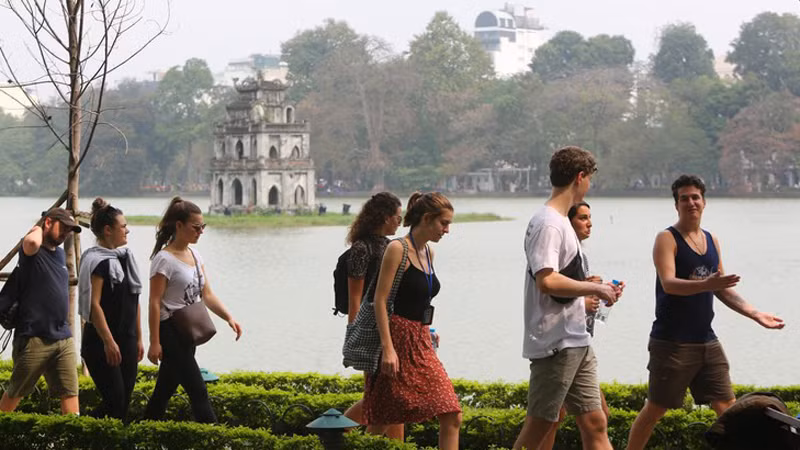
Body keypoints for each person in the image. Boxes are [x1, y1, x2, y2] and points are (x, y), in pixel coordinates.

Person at [626, 175, 785, 450]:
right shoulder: (667, 238)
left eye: (695, 197)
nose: (691, 203)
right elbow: (669, 284)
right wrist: (707, 284)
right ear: (676, 204)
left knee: (729, 409)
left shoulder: (711, 240)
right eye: (684, 198)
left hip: (706, 341)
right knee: (655, 409)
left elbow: (722, 288)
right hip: (672, 342)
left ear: (704, 201)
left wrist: (755, 314)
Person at [514, 146, 622, 450]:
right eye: (589, 178)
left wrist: (597, 288)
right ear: (580, 177)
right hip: (555, 343)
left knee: (595, 421)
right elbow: (546, 280)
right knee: (541, 425)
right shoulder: (548, 223)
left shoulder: (561, 222)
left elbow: (563, 278)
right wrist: (595, 289)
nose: (589, 185)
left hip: (576, 338)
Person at [364, 192, 462, 450]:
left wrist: (428, 329)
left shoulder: (429, 252)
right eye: (444, 223)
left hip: (420, 339)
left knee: (451, 411)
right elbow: (381, 301)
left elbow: (421, 299)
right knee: (383, 419)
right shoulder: (398, 249)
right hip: (396, 337)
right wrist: (388, 349)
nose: (447, 230)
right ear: (427, 219)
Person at [144, 197, 243, 423]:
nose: (200, 232)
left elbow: (207, 294)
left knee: (164, 391)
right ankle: (215, 438)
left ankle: (140, 434)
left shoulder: (195, 255)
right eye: (196, 227)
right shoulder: (163, 260)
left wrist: (229, 318)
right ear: (179, 226)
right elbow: (154, 302)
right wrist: (155, 342)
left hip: (187, 331)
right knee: (198, 390)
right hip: (170, 329)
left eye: (203, 227)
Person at [540, 201, 612, 449]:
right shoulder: (558, 253)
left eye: (590, 217)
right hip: (561, 344)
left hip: (579, 342)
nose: (589, 223)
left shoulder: (579, 254)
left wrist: (600, 291)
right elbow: (553, 295)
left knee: (594, 419)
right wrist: (585, 297)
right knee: (550, 420)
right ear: (568, 224)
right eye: (582, 218)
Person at [0, 208, 82, 414]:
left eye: (69, 230)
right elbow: (32, 242)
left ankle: (75, 439)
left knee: (70, 392)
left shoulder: (61, 254)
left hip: (63, 338)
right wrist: (38, 225)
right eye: (62, 227)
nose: (65, 233)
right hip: (34, 337)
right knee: (15, 393)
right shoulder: (31, 253)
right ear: (48, 223)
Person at [341, 192, 404, 440]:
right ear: (385, 218)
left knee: (394, 396)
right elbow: (355, 296)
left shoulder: (392, 246)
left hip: (392, 327)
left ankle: (394, 445)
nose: (399, 222)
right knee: (380, 396)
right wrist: (356, 334)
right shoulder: (361, 248)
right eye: (397, 217)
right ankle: (337, 428)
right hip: (370, 330)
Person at [78, 198, 143, 420]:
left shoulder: (126, 259)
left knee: (124, 403)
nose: (127, 230)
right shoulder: (97, 261)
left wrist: (139, 338)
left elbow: (135, 299)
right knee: (115, 400)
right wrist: (108, 341)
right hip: (100, 342)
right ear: (108, 230)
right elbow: (94, 304)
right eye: (123, 226)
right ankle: (81, 432)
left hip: (127, 339)